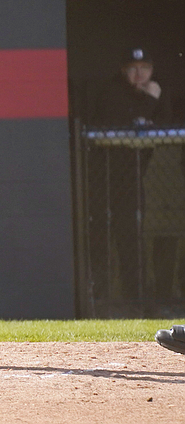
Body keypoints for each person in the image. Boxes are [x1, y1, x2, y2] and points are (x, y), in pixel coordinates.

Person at [89, 47, 172, 303]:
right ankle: (103, 300)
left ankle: (139, 300)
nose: (139, 74)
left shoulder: (157, 92)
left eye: (145, 68)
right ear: (124, 70)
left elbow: (165, 125)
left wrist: (152, 100)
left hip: (140, 176)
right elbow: (120, 122)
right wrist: (150, 100)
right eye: (133, 69)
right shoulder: (112, 92)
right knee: (103, 237)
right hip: (105, 178)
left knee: (134, 238)